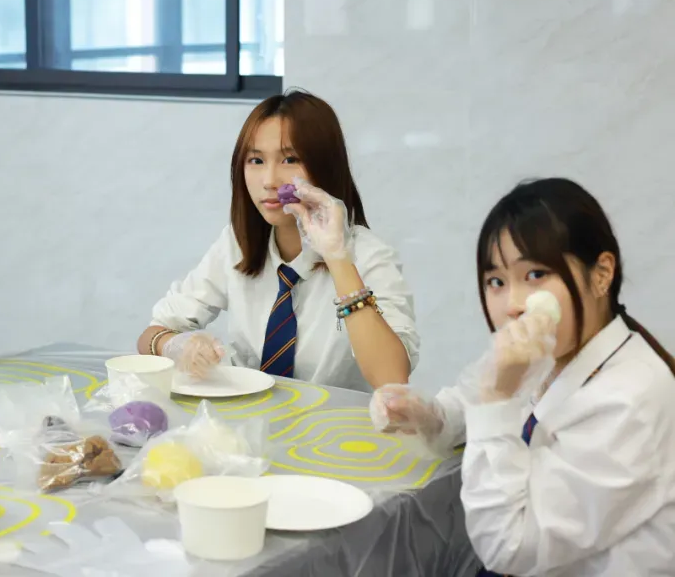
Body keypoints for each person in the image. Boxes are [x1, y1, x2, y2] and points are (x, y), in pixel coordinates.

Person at [369, 178, 675, 576]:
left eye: (536, 275)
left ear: (601, 274)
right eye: (496, 282)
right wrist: (431, 415)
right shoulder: (555, 353)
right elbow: (479, 405)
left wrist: (496, 396)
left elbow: (507, 547)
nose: (513, 305)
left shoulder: (630, 399)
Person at [138, 90, 418, 391]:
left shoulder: (370, 256)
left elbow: (392, 378)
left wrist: (338, 258)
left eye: (290, 159)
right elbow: (151, 334)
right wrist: (175, 345)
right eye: (256, 160)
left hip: (336, 420)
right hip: (251, 416)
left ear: (326, 166)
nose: (270, 180)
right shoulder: (238, 243)